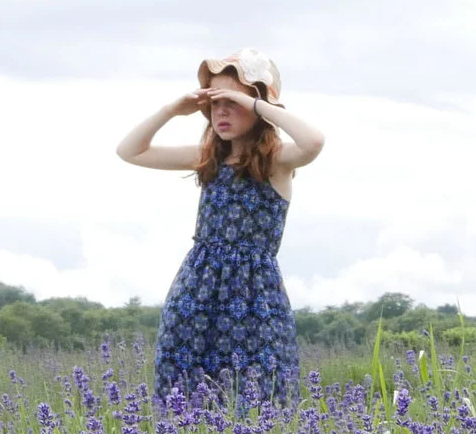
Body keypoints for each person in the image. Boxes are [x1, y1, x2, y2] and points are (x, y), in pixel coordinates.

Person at [117, 50, 325, 401]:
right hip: (195, 292)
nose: (222, 111)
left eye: (233, 101)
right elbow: (129, 151)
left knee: (262, 396)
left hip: (255, 296)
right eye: (214, 103)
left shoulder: (276, 162)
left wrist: (255, 104)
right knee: (183, 398)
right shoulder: (206, 159)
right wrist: (173, 109)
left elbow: (314, 141)